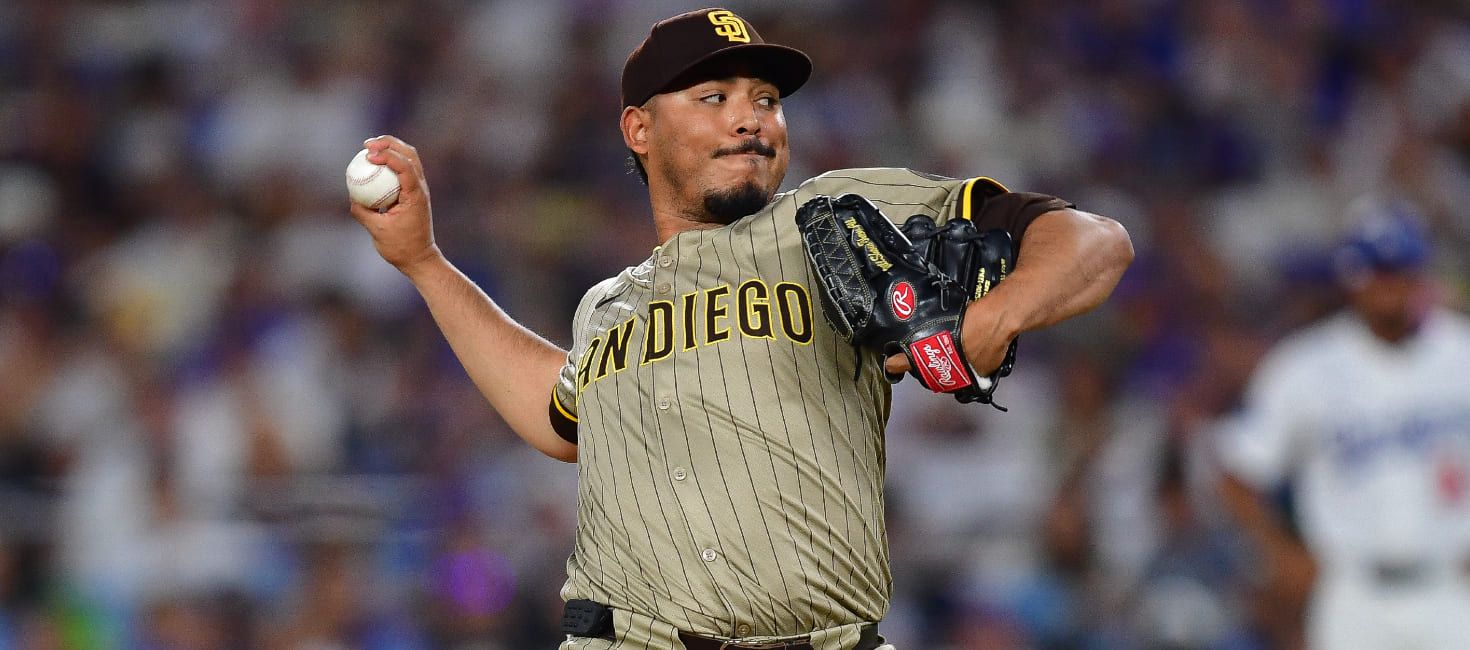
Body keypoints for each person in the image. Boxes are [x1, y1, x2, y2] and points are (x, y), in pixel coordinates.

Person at [348, 8, 1133, 650]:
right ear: (639, 130)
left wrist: (996, 314)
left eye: (765, 99)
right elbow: (557, 421)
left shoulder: (829, 216)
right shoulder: (606, 305)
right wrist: (423, 262)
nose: (750, 118)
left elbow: (1095, 240)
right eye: (714, 97)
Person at [1215, 199, 1470, 650]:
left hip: (1451, 584)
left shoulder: (1460, 351)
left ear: (1419, 274)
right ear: (1352, 279)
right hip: (1353, 592)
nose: (1387, 285)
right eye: (1376, 272)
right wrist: (1282, 554)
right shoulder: (1306, 366)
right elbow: (1237, 473)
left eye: (1398, 271)